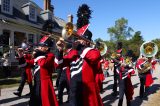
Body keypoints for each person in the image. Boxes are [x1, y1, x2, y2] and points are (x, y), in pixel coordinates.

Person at [56, 29, 103, 106]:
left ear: (87, 41)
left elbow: (95, 56)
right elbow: (59, 64)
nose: (76, 40)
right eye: (77, 38)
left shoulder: (91, 51)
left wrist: (81, 48)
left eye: (79, 38)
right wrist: (60, 50)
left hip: (87, 91)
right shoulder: (72, 52)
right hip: (74, 90)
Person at [27, 36, 58, 106]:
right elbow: (27, 63)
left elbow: (43, 63)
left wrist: (38, 54)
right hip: (37, 82)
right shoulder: (39, 56)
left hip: (44, 82)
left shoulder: (50, 55)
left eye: (41, 46)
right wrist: (21, 55)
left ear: (46, 48)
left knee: (44, 102)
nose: (38, 48)